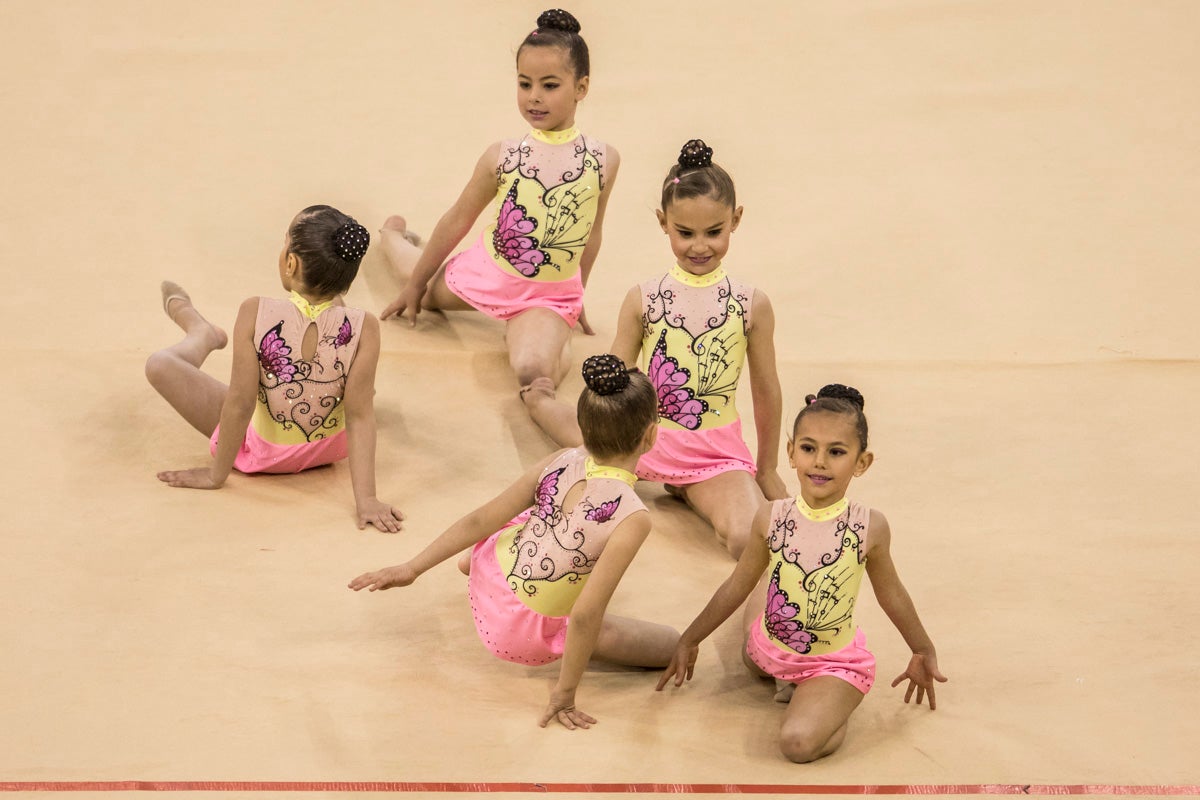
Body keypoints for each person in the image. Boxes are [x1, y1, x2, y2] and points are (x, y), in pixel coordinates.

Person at [349, 355, 678, 729]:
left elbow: (481, 518)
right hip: (521, 632)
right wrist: (565, 692)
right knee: (670, 645)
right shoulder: (633, 516)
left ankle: (470, 566)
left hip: (492, 571)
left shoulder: (561, 458)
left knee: (539, 518)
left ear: (583, 426)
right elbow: (587, 614)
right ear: (651, 436)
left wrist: (412, 567)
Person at [656, 384, 947, 763]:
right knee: (752, 634)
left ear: (862, 462)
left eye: (837, 452)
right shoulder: (771, 516)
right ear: (791, 453)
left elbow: (891, 594)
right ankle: (783, 673)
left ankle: (832, 703)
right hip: (771, 644)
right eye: (809, 448)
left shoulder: (868, 527)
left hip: (830, 663)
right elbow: (736, 585)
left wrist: (922, 648)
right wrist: (689, 639)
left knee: (797, 745)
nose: (820, 462)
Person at [523, 139, 787, 557]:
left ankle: (689, 490)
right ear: (664, 223)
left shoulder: (751, 305)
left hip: (714, 456)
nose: (699, 246)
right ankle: (539, 400)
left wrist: (767, 467)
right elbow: (613, 386)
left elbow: (766, 390)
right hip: (639, 441)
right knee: (575, 437)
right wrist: (597, 452)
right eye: (685, 233)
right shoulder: (644, 299)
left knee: (745, 537)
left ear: (735, 220)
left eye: (713, 232)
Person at [379, 8, 617, 394]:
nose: (534, 98)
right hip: (488, 273)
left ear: (582, 87)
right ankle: (391, 236)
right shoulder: (503, 157)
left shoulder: (604, 160)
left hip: (548, 295)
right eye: (525, 84)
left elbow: (591, 233)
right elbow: (457, 219)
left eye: (550, 86)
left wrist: (576, 298)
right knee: (413, 280)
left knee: (530, 369)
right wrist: (416, 286)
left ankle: (544, 333)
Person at [145, 205, 403, 532]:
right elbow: (360, 414)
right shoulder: (366, 326)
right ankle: (206, 331)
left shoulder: (256, 312)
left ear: (290, 262)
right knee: (333, 316)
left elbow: (240, 403)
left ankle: (200, 333)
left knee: (161, 365)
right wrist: (367, 500)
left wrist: (215, 474)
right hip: (329, 449)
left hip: (261, 452)